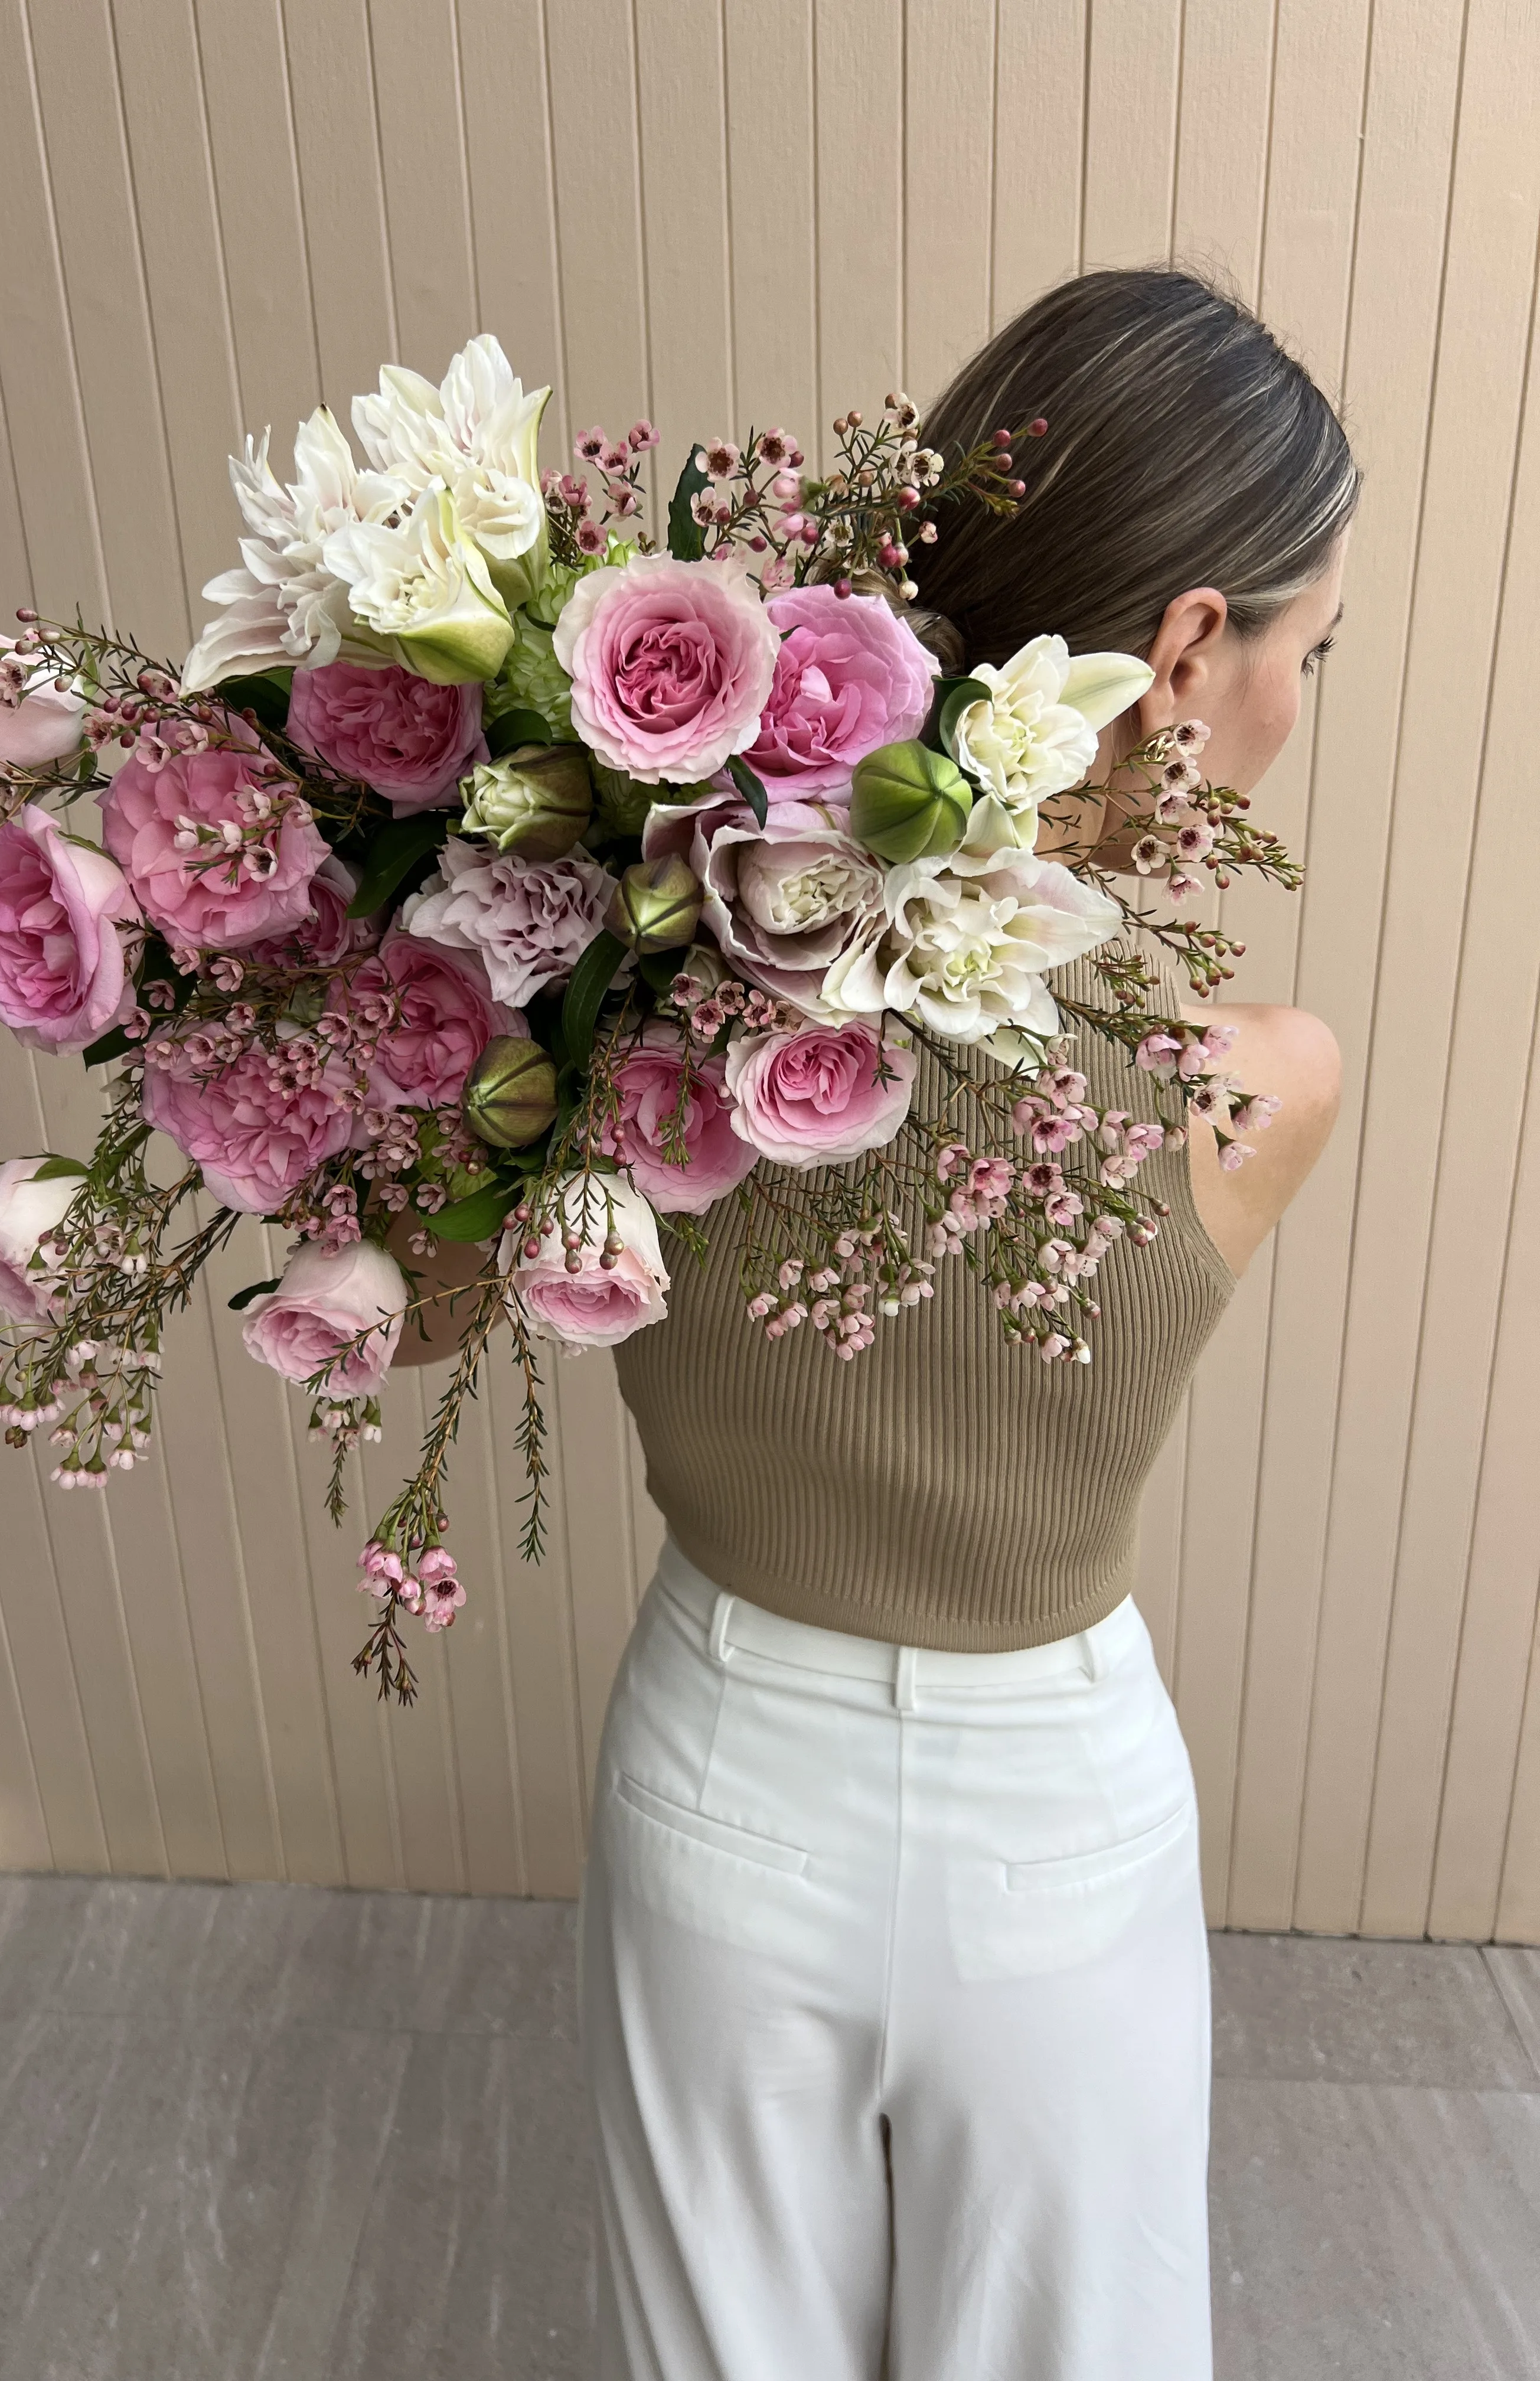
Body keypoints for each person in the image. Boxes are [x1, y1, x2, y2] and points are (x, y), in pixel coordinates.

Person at [401, 265, 1356, 2381]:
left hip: (719, 1777)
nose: (1301, 702)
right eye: (1311, 644)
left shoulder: (636, 968)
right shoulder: (1262, 1078)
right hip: (1060, 1838)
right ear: (1192, 647)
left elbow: (426, 1296)